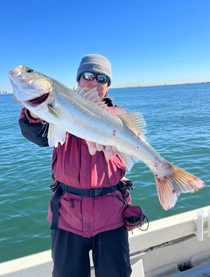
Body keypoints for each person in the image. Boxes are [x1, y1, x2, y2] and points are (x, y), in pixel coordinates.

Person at [18, 54, 132, 277]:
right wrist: (34, 110)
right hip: (67, 217)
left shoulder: (119, 119)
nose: (94, 82)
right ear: (79, 80)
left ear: (108, 85)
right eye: (88, 75)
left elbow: (130, 155)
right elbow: (39, 136)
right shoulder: (59, 109)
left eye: (102, 78)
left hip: (111, 214)